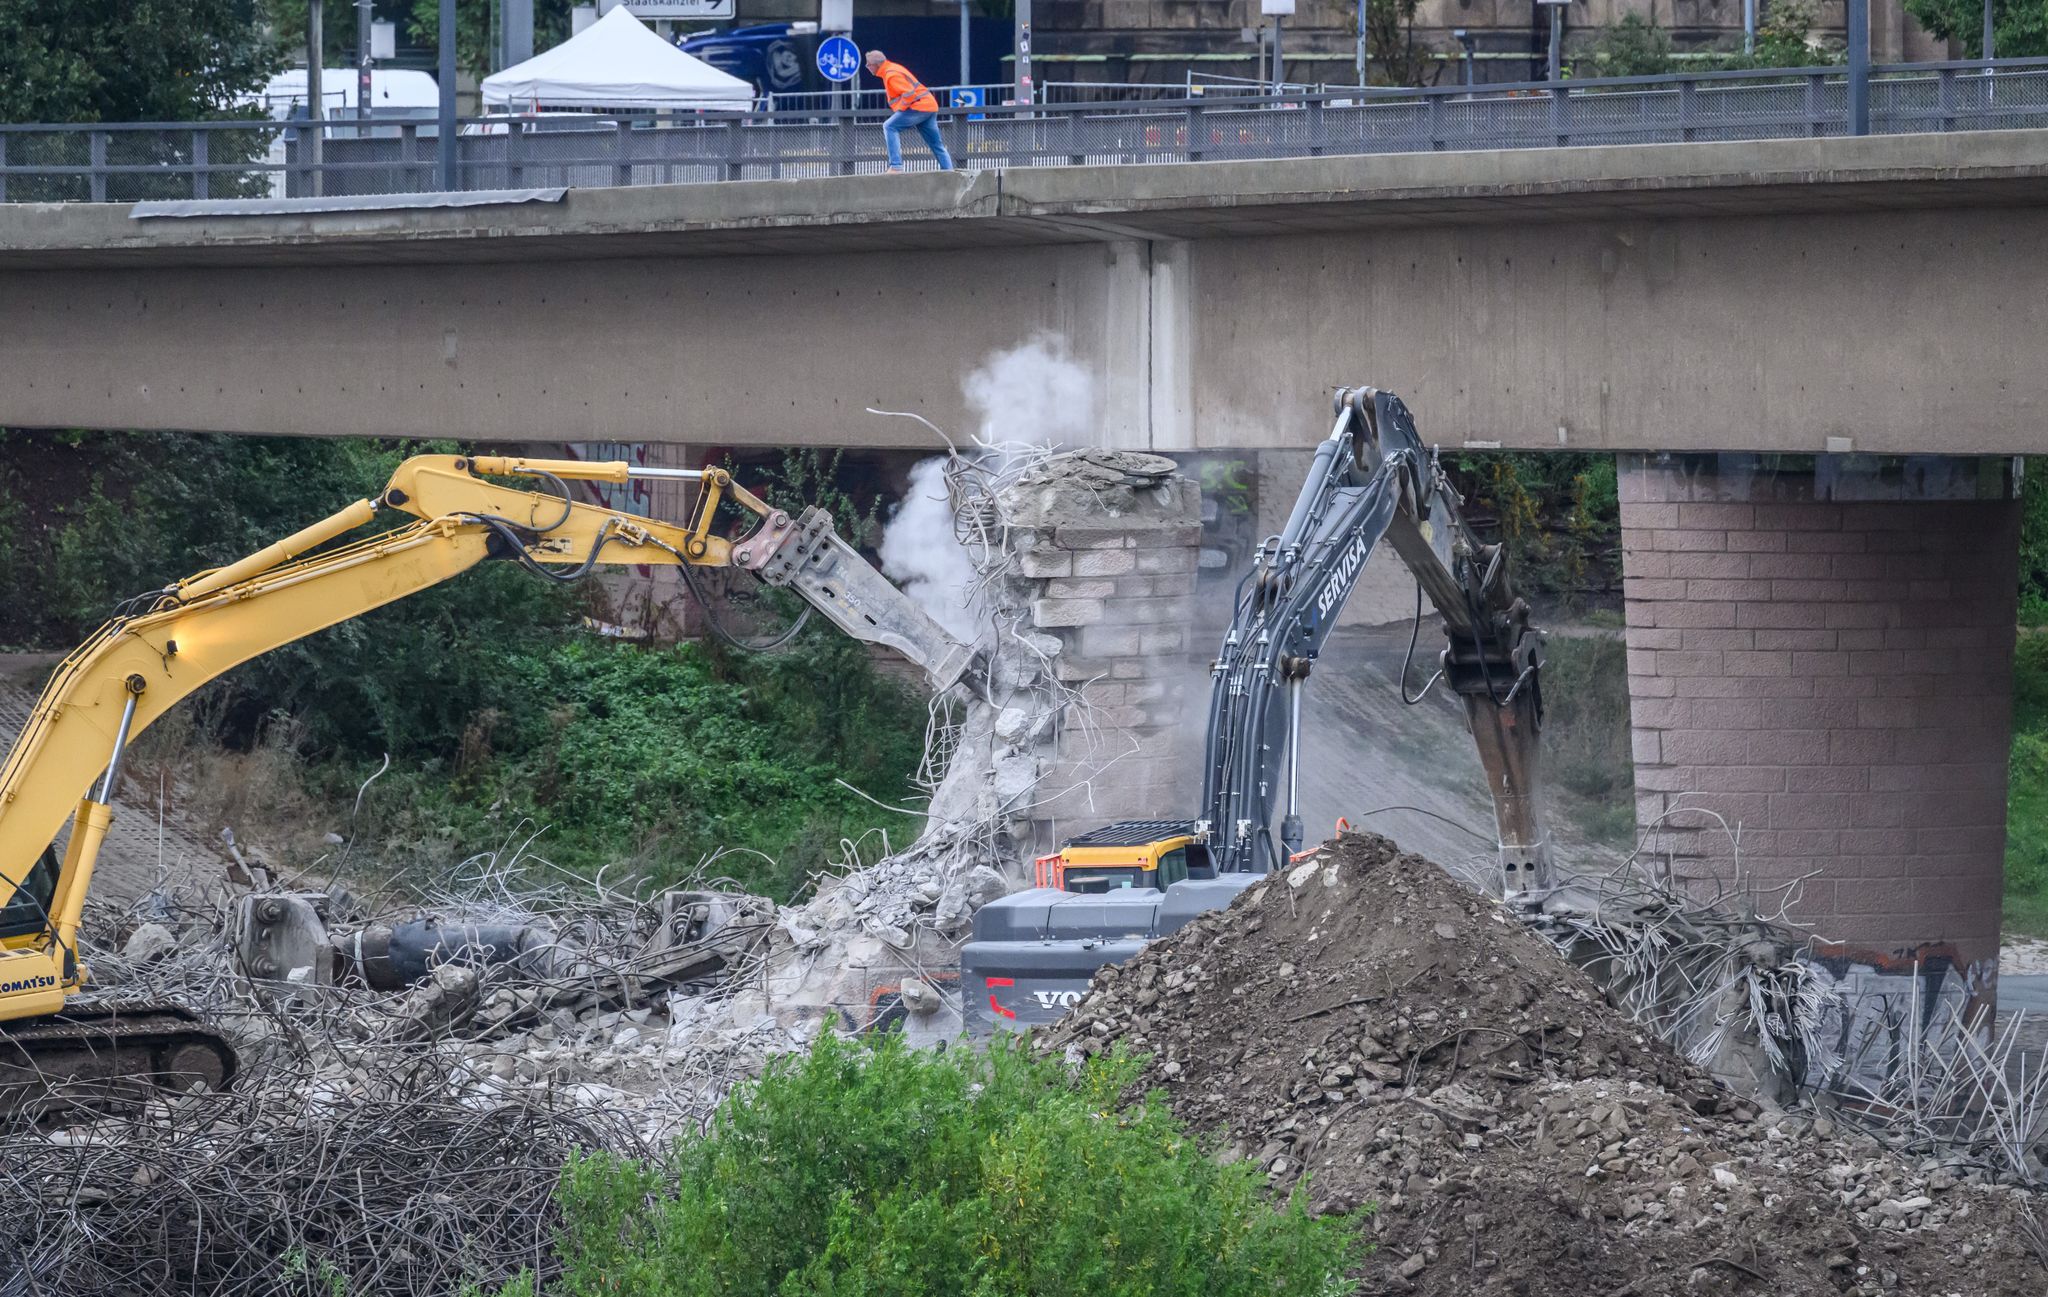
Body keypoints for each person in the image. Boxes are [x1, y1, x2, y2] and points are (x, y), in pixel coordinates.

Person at [864, 50, 954, 173]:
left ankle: (896, 166)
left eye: (868, 64)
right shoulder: (893, 68)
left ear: (876, 65)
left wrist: (901, 109)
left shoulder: (891, 74)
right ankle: (949, 172)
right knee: (936, 144)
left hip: (919, 106)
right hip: (929, 106)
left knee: (889, 126)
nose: (867, 67)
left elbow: (909, 93)